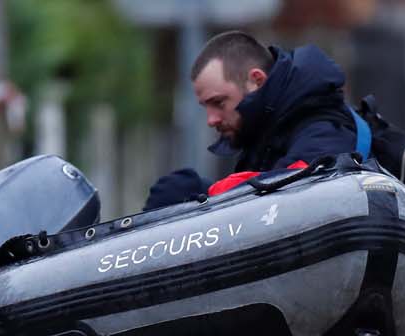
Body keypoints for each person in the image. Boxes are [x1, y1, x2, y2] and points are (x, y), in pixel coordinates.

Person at [144, 31, 362, 210]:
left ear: (256, 81)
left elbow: (303, 181)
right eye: (206, 107)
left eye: (219, 103)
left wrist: (201, 195)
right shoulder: (263, 133)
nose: (211, 120)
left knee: (178, 189)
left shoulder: (321, 122)